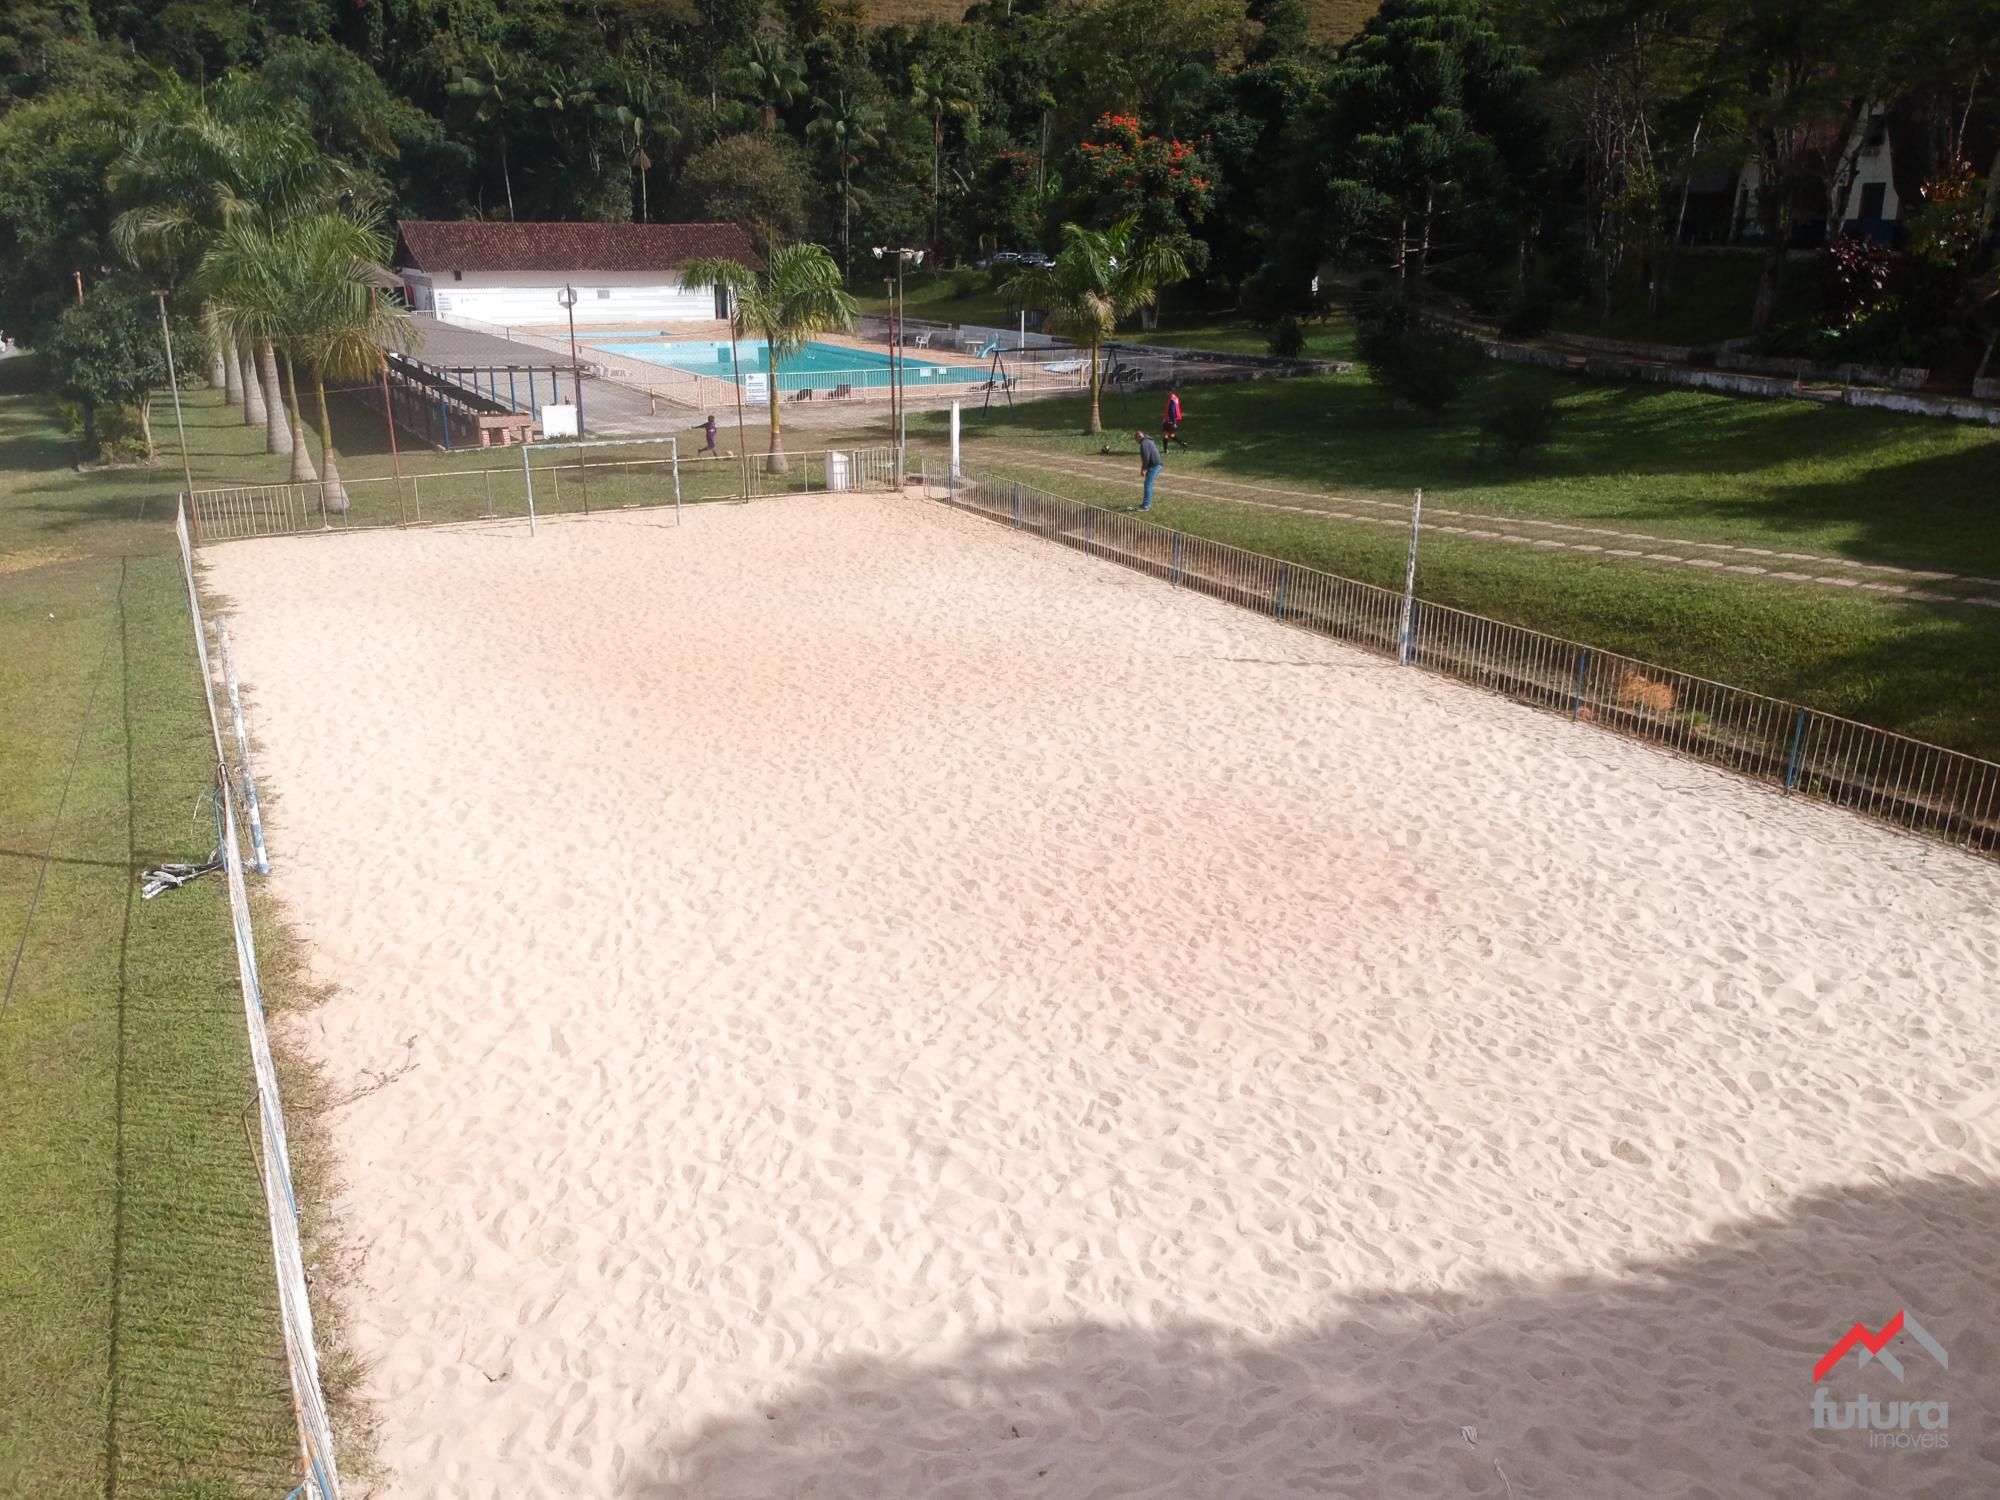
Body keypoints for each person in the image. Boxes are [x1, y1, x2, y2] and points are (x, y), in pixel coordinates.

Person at [1135, 430, 1162, 511]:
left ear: (1138, 438)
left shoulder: (1144, 443)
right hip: (1156, 464)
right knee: (1148, 483)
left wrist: (1144, 469)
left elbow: (1146, 457)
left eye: (1136, 439)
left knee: (1148, 484)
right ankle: (1146, 502)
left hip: (1154, 465)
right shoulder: (1149, 440)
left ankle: (1146, 505)